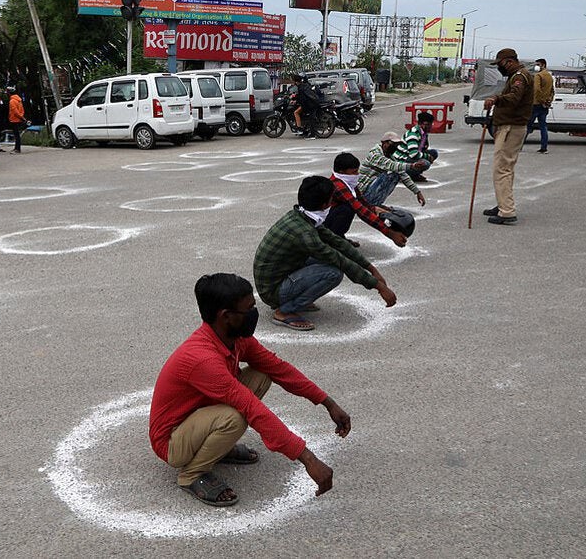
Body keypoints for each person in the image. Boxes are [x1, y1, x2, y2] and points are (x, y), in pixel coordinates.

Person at [149, 273, 351, 507]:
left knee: (263, 373)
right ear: (225, 316)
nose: (254, 314)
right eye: (250, 308)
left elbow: (279, 369)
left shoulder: (234, 338)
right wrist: (308, 459)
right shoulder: (203, 359)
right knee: (234, 417)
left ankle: (216, 449)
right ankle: (192, 474)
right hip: (172, 442)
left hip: (196, 418)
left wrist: (328, 402)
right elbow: (251, 408)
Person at [253, 176, 398, 332]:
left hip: (278, 276)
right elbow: (340, 260)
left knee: (328, 260)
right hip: (272, 290)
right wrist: (378, 286)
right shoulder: (305, 232)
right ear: (325, 204)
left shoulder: (302, 216)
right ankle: (284, 311)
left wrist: (371, 268)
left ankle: (296, 297)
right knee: (333, 273)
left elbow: (337, 242)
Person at [483, 48, 534, 225]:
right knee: (507, 169)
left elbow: (514, 98)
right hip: (511, 127)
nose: (500, 68)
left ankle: (506, 211)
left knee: (502, 169)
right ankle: (503, 203)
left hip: (511, 128)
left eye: (501, 64)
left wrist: (496, 99)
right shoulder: (518, 75)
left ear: (509, 61)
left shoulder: (520, 76)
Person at [322, 152, 409, 247]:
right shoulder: (338, 186)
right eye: (354, 172)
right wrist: (389, 233)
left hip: (328, 218)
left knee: (349, 208)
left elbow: (362, 201)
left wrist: (375, 209)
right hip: (320, 224)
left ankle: (338, 236)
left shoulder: (347, 182)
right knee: (346, 209)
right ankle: (332, 240)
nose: (357, 174)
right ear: (342, 172)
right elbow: (360, 210)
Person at [357, 131, 428, 208]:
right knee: (391, 175)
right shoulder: (375, 154)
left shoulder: (390, 156)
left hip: (369, 189)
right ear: (384, 143)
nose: (395, 146)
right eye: (392, 144)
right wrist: (411, 166)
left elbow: (403, 175)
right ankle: (371, 204)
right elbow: (391, 165)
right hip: (362, 192)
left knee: (397, 173)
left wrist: (417, 192)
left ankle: (375, 203)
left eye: (396, 145)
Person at [526, 58, 554, 154]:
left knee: (528, 125)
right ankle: (544, 147)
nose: (536, 66)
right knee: (543, 126)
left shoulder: (538, 75)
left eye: (538, 64)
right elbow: (552, 91)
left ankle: (519, 145)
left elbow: (537, 90)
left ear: (543, 65)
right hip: (545, 105)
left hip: (536, 104)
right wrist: (548, 101)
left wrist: (542, 101)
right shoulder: (549, 76)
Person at [7, 86, 26, 154]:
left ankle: (17, 149)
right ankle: (16, 148)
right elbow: (22, 110)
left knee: (16, 135)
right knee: (17, 135)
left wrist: (21, 117)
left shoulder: (12, 101)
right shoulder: (19, 100)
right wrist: (22, 117)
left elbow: (15, 111)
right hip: (18, 119)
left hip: (14, 120)